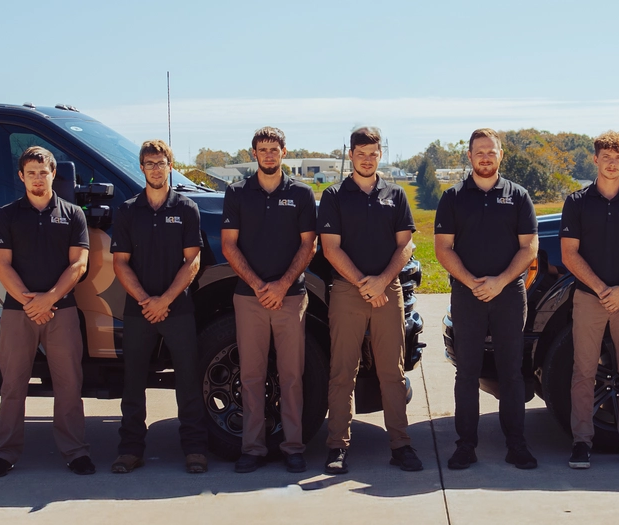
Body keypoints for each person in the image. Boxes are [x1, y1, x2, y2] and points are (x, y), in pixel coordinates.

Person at [317, 126, 421, 475]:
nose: (366, 159)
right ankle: (337, 446)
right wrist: (364, 284)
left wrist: (381, 282)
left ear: (380, 154)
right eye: (360, 154)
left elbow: (405, 246)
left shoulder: (396, 194)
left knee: (392, 371)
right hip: (348, 291)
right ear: (350, 155)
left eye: (373, 154)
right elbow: (330, 249)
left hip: (388, 290)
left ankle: (401, 445)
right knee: (342, 371)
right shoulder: (334, 196)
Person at [434, 128, 540, 470]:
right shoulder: (453, 198)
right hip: (467, 296)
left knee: (511, 372)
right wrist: (471, 282)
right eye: (479, 151)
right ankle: (465, 446)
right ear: (469, 156)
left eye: (491, 151)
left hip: (509, 295)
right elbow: (443, 248)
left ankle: (516, 445)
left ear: (500, 155)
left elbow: (529, 247)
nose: (485, 157)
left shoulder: (518, 196)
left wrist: (500, 281)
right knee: (467, 372)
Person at [0, 146, 92, 478]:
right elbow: (1, 265)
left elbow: (79, 265)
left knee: (69, 384)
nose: (37, 179)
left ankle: (75, 451)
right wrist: (31, 303)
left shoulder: (73, 215)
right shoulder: (7, 215)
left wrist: (50, 299)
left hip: (63, 310)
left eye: (43, 172)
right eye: (30, 173)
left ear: (53, 174)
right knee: (13, 385)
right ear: (21, 176)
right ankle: (4, 453)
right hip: (19, 312)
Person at [219, 126, 318, 473]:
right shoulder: (237, 193)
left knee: (291, 376)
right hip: (249, 298)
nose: (269, 155)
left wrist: (282, 285)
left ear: (284, 152)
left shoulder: (302, 194)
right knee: (251, 376)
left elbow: (309, 244)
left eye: (274, 149)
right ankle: (252, 448)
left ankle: (293, 447)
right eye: (263, 149)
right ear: (254, 154)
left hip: (291, 298)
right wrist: (260, 285)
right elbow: (228, 245)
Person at [557, 131, 619, 468]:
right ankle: (581, 443)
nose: (612, 164)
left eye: (618, 158)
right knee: (584, 371)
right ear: (595, 159)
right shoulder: (577, 202)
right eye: (606, 157)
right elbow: (569, 254)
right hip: (590, 298)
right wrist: (602, 289)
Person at [110, 139, 208, 475]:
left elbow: (192, 261)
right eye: (149, 163)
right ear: (141, 168)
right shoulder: (127, 210)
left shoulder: (186, 209)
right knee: (133, 382)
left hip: (177, 309)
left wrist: (164, 301)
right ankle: (130, 450)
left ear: (170, 166)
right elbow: (120, 263)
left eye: (161, 163)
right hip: (138, 309)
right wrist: (146, 301)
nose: (155, 169)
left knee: (188, 380)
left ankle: (194, 449)